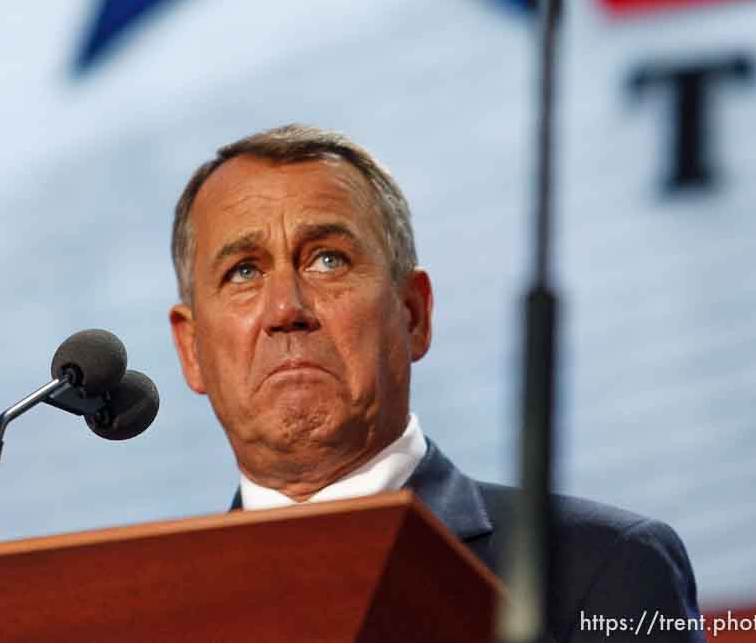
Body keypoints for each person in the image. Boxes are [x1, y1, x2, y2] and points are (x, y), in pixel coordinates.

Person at [169, 124, 704, 641]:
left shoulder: (608, 570)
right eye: (243, 271)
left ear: (413, 315)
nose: (287, 308)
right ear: (191, 349)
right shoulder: (143, 609)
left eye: (328, 261)